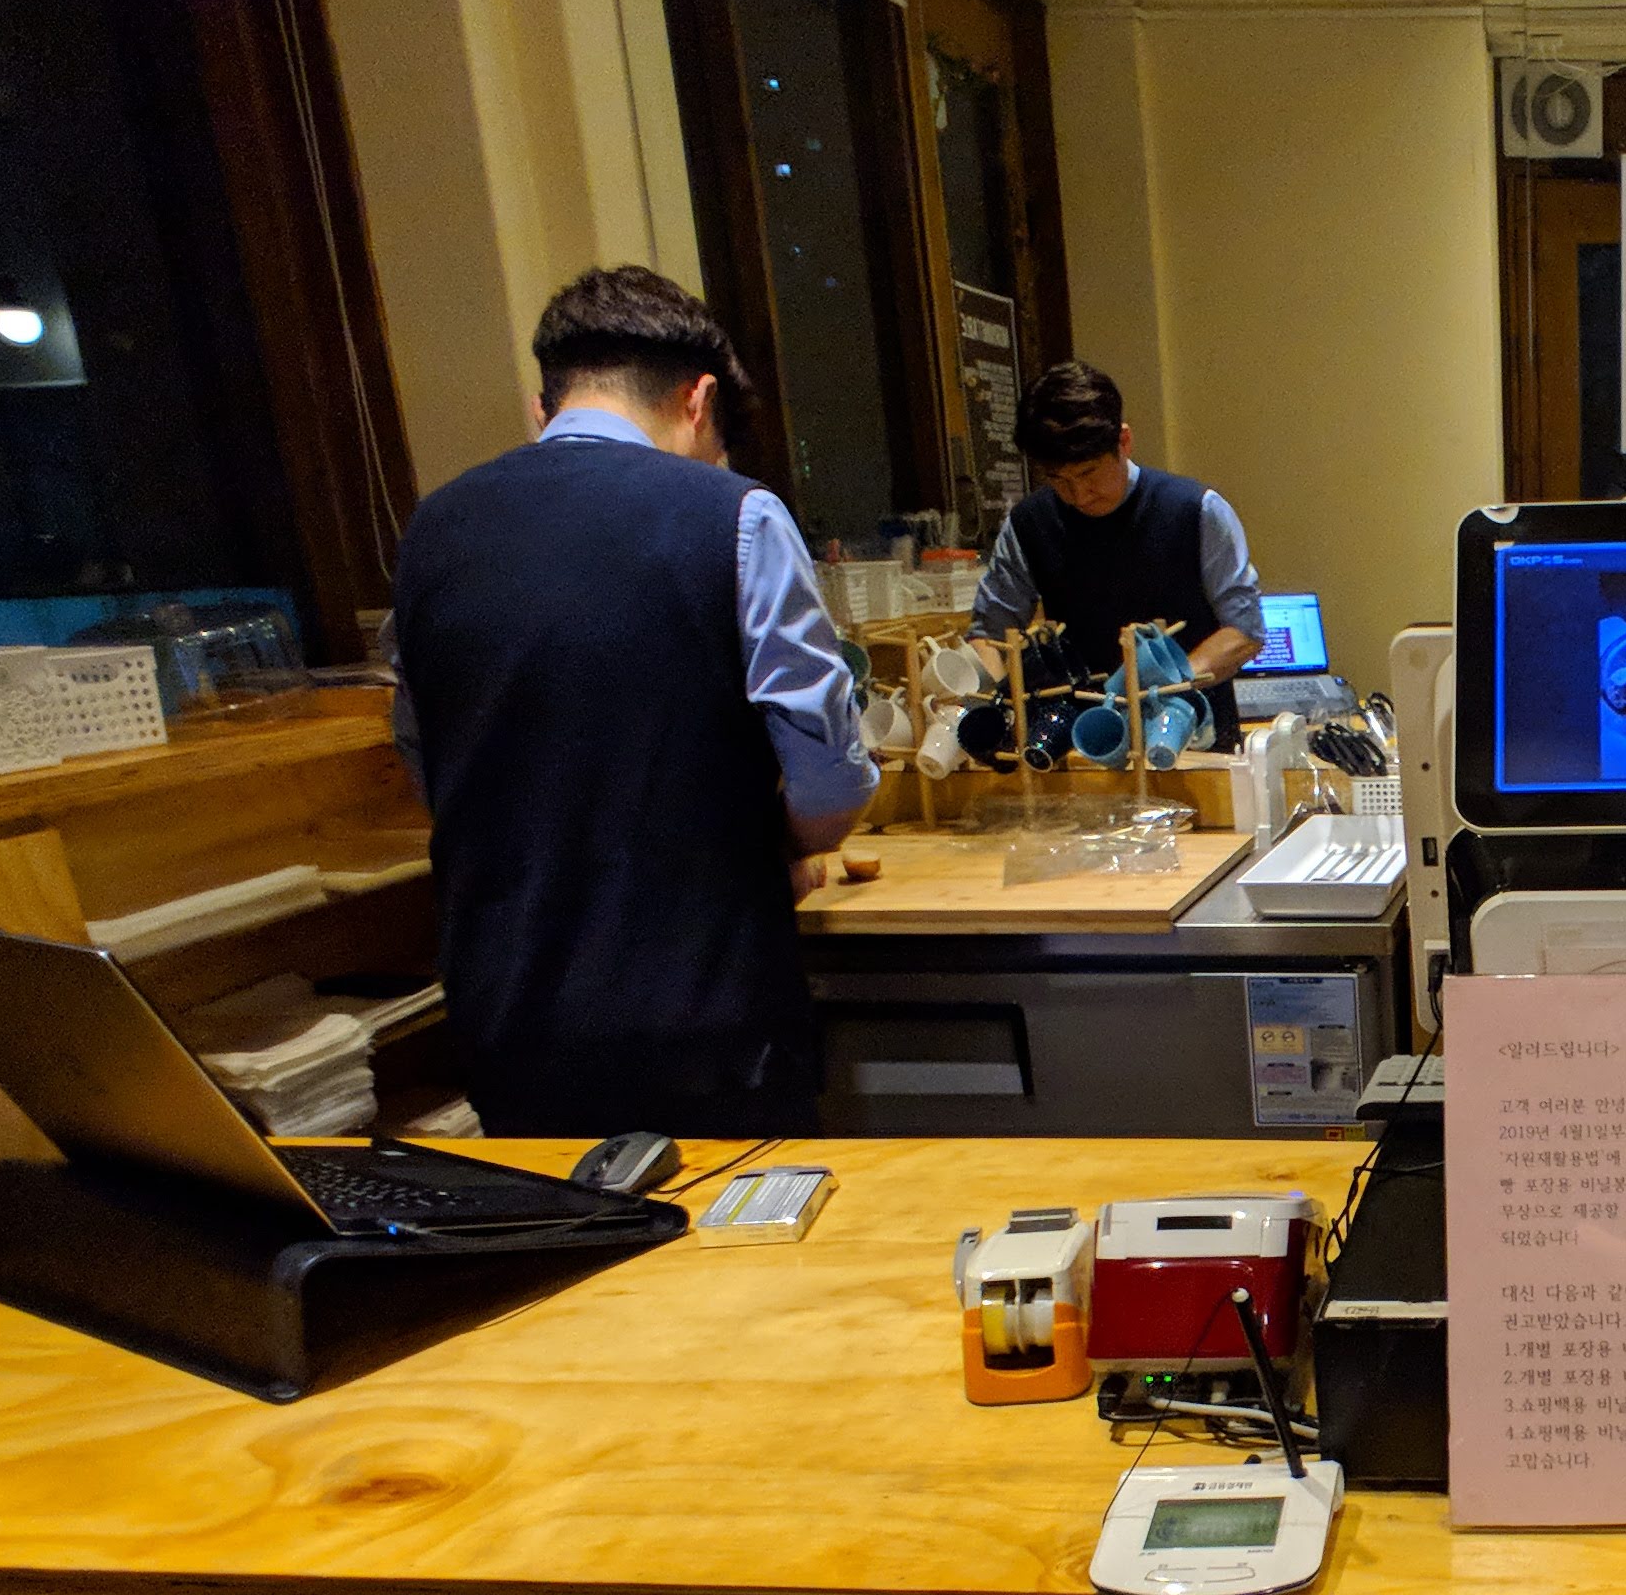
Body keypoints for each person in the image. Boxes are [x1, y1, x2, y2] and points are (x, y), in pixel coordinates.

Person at [390, 265, 867, 1138]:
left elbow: (430, 758)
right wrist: (788, 845)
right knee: (744, 1220)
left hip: (507, 1014)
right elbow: (829, 779)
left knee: (563, 1227)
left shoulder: (434, 530)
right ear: (699, 400)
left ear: (543, 407)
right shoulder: (737, 515)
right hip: (706, 1014)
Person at [975, 361, 1262, 716]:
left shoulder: (1196, 510)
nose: (1079, 495)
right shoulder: (1029, 523)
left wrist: (1169, 684)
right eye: (1059, 479)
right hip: (1084, 729)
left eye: (1088, 473)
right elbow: (989, 635)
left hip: (1191, 724)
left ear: (1124, 442)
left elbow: (1244, 632)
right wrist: (998, 706)